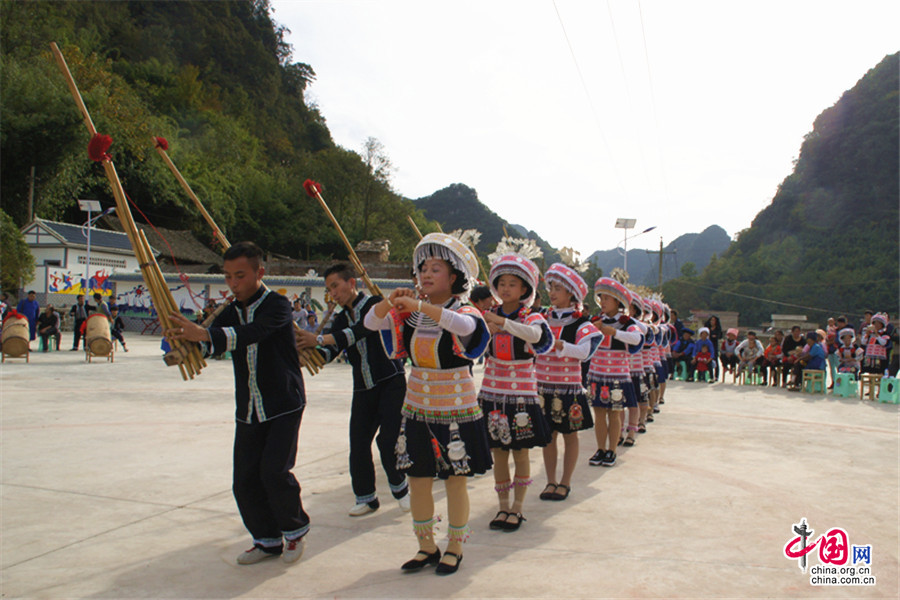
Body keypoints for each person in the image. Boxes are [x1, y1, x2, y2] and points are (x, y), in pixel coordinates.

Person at [166, 241, 309, 566]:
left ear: (259, 273)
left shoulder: (279, 305)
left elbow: (252, 333)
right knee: (244, 479)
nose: (233, 283)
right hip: (248, 406)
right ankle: (266, 539)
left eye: (240, 276)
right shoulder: (230, 310)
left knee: (273, 471)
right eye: (228, 276)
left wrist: (203, 336)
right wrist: (186, 342)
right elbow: (213, 342)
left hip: (283, 403)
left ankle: (295, 529)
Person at [364, 232, 491, 575]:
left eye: (436, 268)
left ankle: (455, 546)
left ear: (454, 278)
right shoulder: (409, 313)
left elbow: (464, 326)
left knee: (455, 478)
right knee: (418, 477)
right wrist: (390, 302)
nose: (426, 274)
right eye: (422, 268)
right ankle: (426, 546)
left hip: (456, 404)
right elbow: (370, 322)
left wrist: (419, 305)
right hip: (418, 402)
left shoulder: (462, 310)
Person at [296, 263, 410, 517]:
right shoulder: (339, 319)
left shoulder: (375, 305)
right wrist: (309, 352)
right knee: (358, 444)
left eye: (335, 286)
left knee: (388, 440)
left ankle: (400, 490)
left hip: (391, 382)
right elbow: (330, 351)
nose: (333, 293)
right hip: (363, 387)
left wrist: (321, 339)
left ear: (352, 283)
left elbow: (361, 331)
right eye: (329, 289)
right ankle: (366, 497)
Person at [479, 254, 553, 532]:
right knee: (498, 452)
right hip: (492, 391)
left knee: (520, 452)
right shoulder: (488, 315)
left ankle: (518, 508)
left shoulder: (531, 316)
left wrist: (502, 323)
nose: (506, 288)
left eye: (513, 283)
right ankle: (502, 506)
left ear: (525, 290)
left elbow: (536, 336)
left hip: (521, 393)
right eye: (502, 283)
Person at [535, 263, 600, 502]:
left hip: (568, 388)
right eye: (551, 287)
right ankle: (550, 480)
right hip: (542, 386)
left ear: (572, 293)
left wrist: (562, 345)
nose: (552, 293)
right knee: (548, 436)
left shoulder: (581, 324)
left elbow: (584, 352)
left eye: (559, 288)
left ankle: (565, 482)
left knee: (570, 435)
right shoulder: (540, 319)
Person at [586, 278, 641, 468]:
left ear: (618, 301)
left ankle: (612, 450)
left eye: (607, 298)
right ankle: (600, 449)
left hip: (617, 375)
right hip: (597, 373)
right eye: (601, 297)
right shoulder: (595, 321)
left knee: (615, 413)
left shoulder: (627, 323)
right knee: (599, 413)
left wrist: (613, 332)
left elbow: (637, 338)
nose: (603, 301)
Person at [704, 315, 723, 380]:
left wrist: (713, 336)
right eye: (711, 320)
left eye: (713, 320)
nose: (712, 322)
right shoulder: (707, 328)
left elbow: (718, 336)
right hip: (706, 346)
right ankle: (707, 375)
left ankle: (716, 376)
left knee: (715, 360)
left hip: (714, 346)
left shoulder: (718, 329)